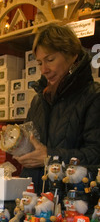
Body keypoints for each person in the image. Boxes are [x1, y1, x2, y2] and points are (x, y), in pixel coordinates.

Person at [14, 23, 100, 194]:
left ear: (72, 56)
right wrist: (18, 145)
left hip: (74, 202)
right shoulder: (39, 99)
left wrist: (50, 157)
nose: (44, 69)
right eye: (39, 63)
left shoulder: (94, 96)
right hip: (35, 201)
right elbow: (33, 145)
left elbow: (96, 153)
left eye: (50, 60)